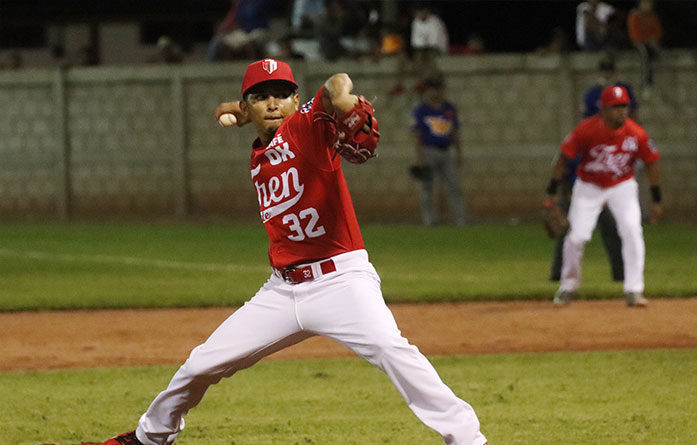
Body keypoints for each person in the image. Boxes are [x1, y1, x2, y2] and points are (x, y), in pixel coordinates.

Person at [103, 59, 488, 445]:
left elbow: (335, 83)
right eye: (262, 97)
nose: (273, 103)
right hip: (282, 291)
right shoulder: (261, 134)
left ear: (296, 100)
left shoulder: (306, 126)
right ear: (249, 105)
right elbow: (242, 112)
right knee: (200, 364)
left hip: (341, 282)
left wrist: (343, 99)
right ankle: (149, 438)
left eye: (283, 95)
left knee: (393, 350)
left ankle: (469, 439)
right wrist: (234, 113)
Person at [543, 85, 662, 308]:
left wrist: (656, 199)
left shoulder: (636, 133)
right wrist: (550, 192)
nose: (621, 111)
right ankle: (568, 286)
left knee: (632, 229)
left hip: (622, 186)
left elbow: (651, 162)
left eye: (624, 106)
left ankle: (634, 290)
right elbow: (562, 158)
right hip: (589, 187)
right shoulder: (586, 130)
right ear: (603, 109)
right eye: (615, 107)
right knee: (577, 237)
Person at [548, 57, 635, 283]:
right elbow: (563, 165)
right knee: (569, 236)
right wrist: (562, 195)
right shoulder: (581, 137)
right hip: (580, 192)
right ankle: (558, 275)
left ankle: (621, 276)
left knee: (613, 233)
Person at [411, 74, 468, 227]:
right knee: (427, 188)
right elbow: (417, 136)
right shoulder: (421, 110)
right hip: (428, 151)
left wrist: (458, 153)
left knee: (454, 186)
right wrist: (420, 158)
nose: (435, 92)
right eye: (432, 89)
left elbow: (454, 133)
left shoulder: (449, 109)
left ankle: (461, 219)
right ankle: (429, 220)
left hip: (445, 151)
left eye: (438, 89)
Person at [627, 0, 662, 90]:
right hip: (638, 43)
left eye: (649, 4)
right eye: (645, 3)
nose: (648, 6)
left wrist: (654, 39)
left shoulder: (652, 16)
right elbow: (634, 35)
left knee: (658, 52)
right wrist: (646, 40)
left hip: (650, 43)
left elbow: (658, 31)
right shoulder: (634, 15)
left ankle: (657, 78)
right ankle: (646, 80)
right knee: (644, 52)